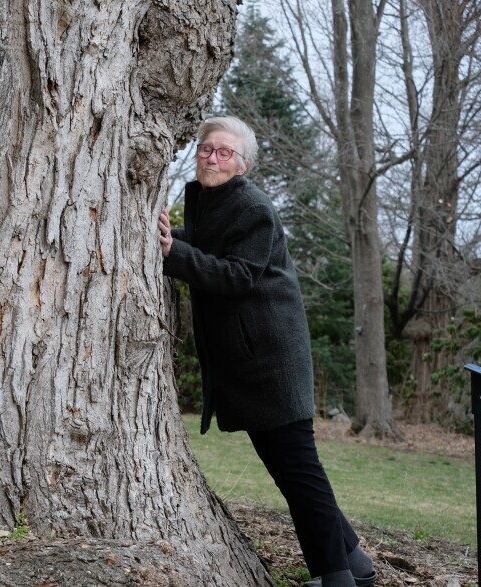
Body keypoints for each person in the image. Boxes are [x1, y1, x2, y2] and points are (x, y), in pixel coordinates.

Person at [157, 115, 377, 587]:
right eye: (206, 149)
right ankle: (355, 563)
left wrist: (174, 254)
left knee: (298, 471)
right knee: (290, 469)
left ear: (244, 164)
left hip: (271, 361)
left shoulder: (252, 205)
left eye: (224, 152)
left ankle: (334, 577)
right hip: (249, 361)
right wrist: (176, 237)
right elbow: (213, 246)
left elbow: (238, 274)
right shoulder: (204, 197)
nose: (212, 158)